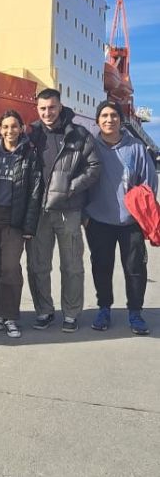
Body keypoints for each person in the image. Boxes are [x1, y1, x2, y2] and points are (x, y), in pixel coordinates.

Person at [26, 88, 101, 333]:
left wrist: (70, 188)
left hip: (68, 210)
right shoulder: (31, 134)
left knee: (71, 266)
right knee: (38, 265)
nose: (47, 112)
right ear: (37, 109)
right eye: (43, 108)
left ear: (60, 107)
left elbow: (94, 166)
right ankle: (44, 311)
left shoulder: (78, 134)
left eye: (52, 107)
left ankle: (71, 314)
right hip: (38, 210)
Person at [85, 100, 158, 335]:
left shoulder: (136, 147)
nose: (109, 119)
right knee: (101, 267)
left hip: (131, 222)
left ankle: (135, 312)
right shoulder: (90, 147)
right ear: (97, 120)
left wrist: (142, 214)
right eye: (104, 115)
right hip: (98, 220)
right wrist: (85, 215)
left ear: (120, 119)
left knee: (135, 268)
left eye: (113, 115)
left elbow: (149, 183)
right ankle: (104, 308)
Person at [0, 110, 42, 338]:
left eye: (14, 126)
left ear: (22, 128)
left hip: (14, 219)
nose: (9, 131)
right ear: (0, 129)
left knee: (10, 268)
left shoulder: (30, 155)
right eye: (5, 127)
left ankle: (11, 316)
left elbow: (35, 192)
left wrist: (29, 225)